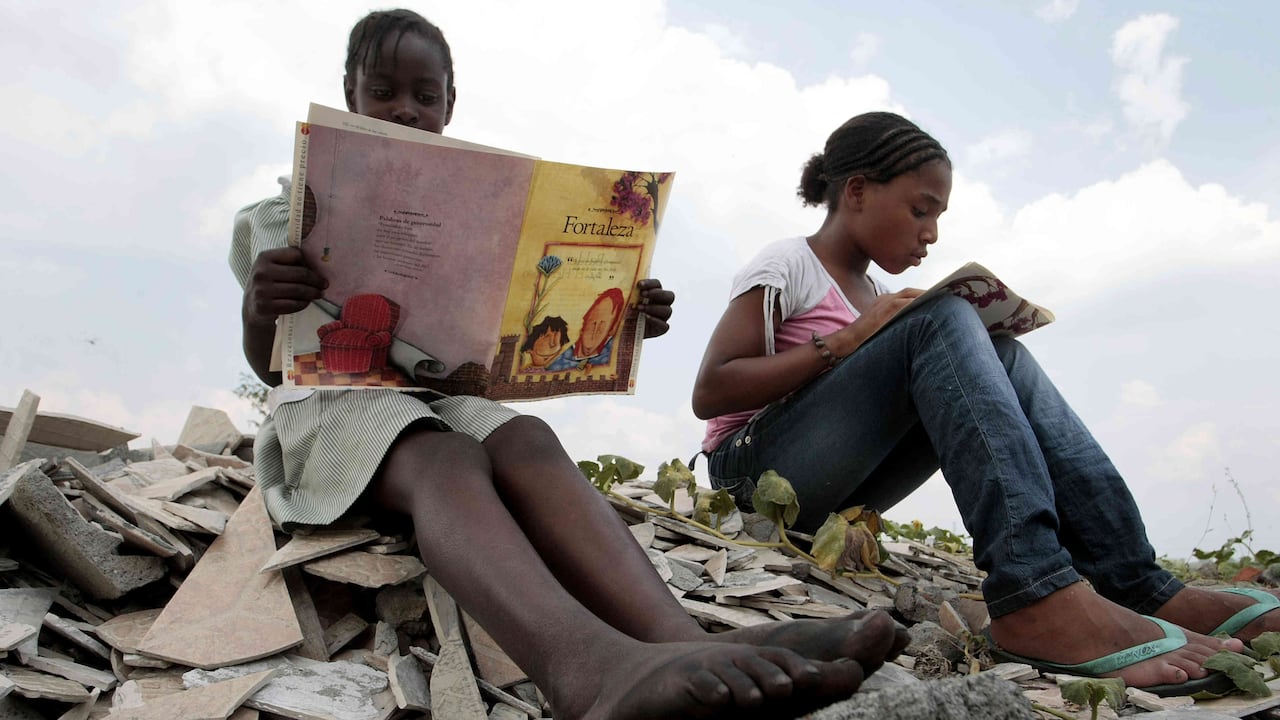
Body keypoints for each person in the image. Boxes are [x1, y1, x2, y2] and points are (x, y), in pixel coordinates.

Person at [231, 10, 907, 720]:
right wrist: (258, 309)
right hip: (334, 406)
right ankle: (586, 668)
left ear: (449, 107)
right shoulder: (278, 216)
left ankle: (680, 641)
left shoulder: (472, 224)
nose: (406, 108)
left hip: (432, 398)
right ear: (349, 95)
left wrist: (622, 321)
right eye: (384, 91)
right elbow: (274, 367)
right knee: (444, 460)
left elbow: (503, 345)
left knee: (527, 439)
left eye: (425, 95)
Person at [691, 110, 1279, 696]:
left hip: (835, 495)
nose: (931, 233)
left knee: (999, 348)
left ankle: (1135, 583)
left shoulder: (877, 294)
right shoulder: (788, 263)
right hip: (751, 477)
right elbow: (711, 391)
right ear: (858, 191)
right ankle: (1035, 593)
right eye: (920, 210)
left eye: (939, 217)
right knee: (941, 321)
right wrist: (846, 341)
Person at [546, 287, 626, 371]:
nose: (594, 332)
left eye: (602, 328)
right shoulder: (558, 354)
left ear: (610, 331)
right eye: (592, 323)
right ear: (584, 322)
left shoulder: (612, 356)